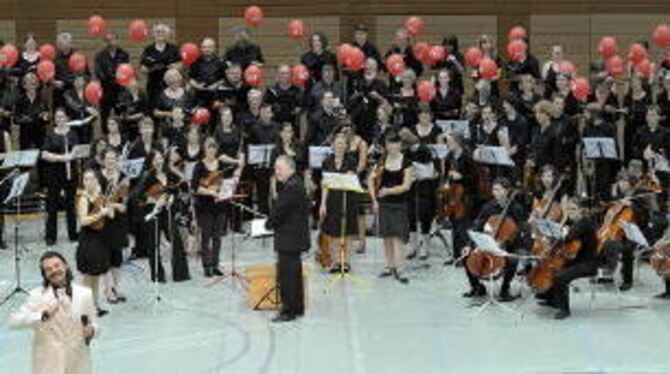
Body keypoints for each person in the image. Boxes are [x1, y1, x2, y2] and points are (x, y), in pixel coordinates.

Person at [8, 251, 99, 374]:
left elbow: (95, 323)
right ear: (44, 274)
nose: (54, 270)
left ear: (65, 266)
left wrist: (92, 330)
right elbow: (13, 321)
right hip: (48, 365)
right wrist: (42, 315)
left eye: (57, 265)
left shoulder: (85, 293)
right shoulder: (36, 295)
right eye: (48, 269)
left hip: (78, 362)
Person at [537, 197, 599, 319]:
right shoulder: (574, 221)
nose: (570, 211)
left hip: (587, 263)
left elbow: (568, 238)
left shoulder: (585, 222)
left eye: (573, 209)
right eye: (568, 209)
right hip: (575, 259)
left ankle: (564, 310)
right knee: (553, 267)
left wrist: (561, 231)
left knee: (560, 276)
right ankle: (552, 299)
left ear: (581, 210)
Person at [265, 155, 310, 322]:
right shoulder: (296, 183)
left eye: (279, 168)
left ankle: (288, 311)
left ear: (290, 168)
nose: (276, 172)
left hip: (289, 239)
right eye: (275, 168)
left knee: (287, 276)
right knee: (295, 274)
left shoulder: (290, 187)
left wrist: (268, 224)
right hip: (295, 238)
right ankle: (297, 307)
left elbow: (279, 211)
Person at [368, 131, 414, 284]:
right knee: (387, 235)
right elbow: (370, 180)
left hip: (399, 203)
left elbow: (406, 186)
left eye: (396, 143)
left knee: (399, 236)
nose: (393, 146)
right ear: (386, 146)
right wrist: (374, 200)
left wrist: (389, 190)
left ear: (400, 145)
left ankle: (400, 268)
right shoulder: (381, 161)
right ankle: (389, 266)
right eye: (390, 143)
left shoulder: (406, 163)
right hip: (384, 204)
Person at [76, 169, 113, 316]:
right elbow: (83, 221)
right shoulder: (83, 198)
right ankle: (83, 310)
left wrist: (108, 207)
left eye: (91, 179)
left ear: (96, 181)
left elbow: (110, 215)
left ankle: (95, 306)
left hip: (100, 238)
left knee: (96, 276)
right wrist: (100, 214)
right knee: (87, 277)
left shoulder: (100, 197)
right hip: (88, 239)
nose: (88, 182)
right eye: (85, 179)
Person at [319, 134, 359, 273]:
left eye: (342, 143)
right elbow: (324, 184)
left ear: (346, 146)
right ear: (333, 145)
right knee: (334, 233)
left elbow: (354, 179)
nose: (339, 146)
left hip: (347, 199)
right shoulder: (326, 161)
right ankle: (336, 261)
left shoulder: (352, 161)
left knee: (347, 232)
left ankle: (346, 261)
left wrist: (350, 176)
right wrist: (323, 204)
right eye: (337, 143)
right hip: (332, 199)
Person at [41, 108, 79, 246]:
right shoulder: (50, 134)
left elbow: (76, 152)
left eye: (62, 117)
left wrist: (70, 156)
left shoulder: (73, 134)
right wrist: (62, 158)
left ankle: (73, 234)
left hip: (70, 174)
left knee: (70, 205)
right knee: (52, 205)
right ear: (54, 120)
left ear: (67, 118)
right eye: (57, 117)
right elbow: (44, 154)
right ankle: (51, 237)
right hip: (54, 174)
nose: (60, 120)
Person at [192, 137, 227, 277]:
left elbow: (224, 182)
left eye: (213, 147)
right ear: (204, 149)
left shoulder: (221, 165)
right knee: (206, 237)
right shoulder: (199, 166)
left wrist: (223, 191)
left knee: (217, 237)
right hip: (205, 206)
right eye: (208, 147)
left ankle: (215, 264)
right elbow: (195, 187)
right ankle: (207, 265)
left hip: (220, 205)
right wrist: (210, 192)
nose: (211, 150)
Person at [140, 23, 181, 108]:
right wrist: (152, 68)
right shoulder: (148, 50)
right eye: (157, 32)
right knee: (154, 110)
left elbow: (180, 65)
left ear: (167, 34)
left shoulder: (173, 49)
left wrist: (174, 67)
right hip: (153, 86)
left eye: (162, 32)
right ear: (154, 34)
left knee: (171, 110)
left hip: (171, 85)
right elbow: (142, 68)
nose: (160, 34)